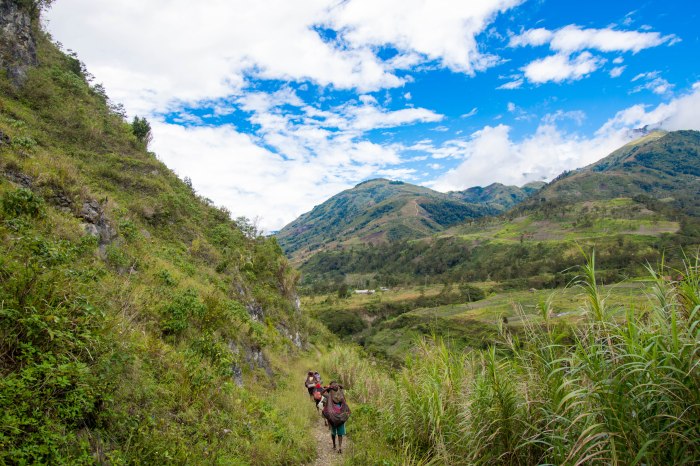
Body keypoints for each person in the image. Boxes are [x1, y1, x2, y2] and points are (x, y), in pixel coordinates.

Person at [321, 381, 350, 454]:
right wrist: (339, 386)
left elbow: (322, 393)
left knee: (333, 432)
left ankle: (334, 445)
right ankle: (340, 447)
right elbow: (343, 388)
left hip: (332, 416)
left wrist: (328, 388)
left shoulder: (329, 394)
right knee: (340, 433)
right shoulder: (340, 393)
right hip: (340, 415)